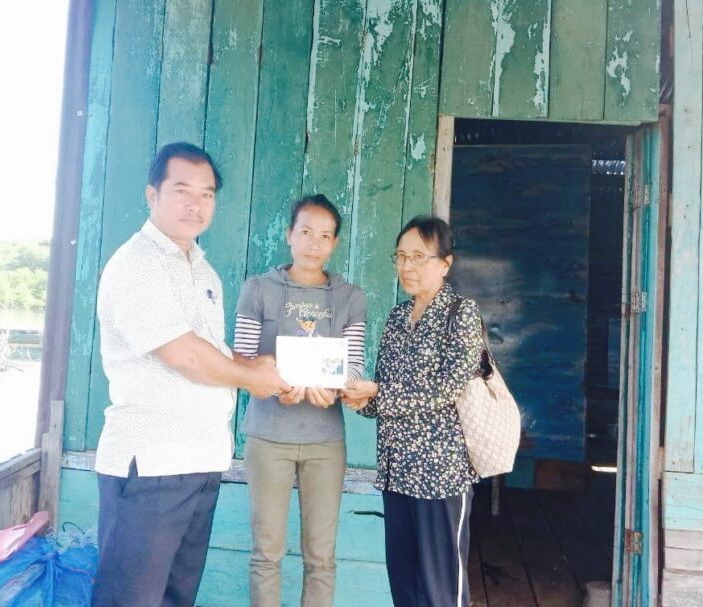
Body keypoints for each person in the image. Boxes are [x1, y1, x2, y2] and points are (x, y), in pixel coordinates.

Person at [92, 142, 289, 607]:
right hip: (151, 463)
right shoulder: (137, 265)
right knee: (130, 600)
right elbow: (185, 356)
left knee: (177, 597)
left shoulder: (203, 271)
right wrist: (252, 378)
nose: (196, 204)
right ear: (152, 195)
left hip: (199, 460)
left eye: (207, 194)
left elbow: (210, 350)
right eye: (182, 190)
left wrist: (254, 366)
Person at [342, 215, 483, 607]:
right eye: (401, 256)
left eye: (419, 257)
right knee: (404, 585)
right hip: (397, 473)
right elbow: (386, 392)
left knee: (441, 589)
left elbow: (448, 387)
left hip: (439, 475)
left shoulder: (461, 313)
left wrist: (378, 393)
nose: (407, 266)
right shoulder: (396, 318)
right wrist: (362, 401)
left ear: (445, 263)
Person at [233, 194, 366, 607]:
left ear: (335, 243)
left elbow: (354, 365)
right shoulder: (258, 289)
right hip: (268, 438)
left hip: (325, 442)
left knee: (321, 558)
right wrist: (276, 387)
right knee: (266, 554)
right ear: (289, 234)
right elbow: (241, 361)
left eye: (325, 236)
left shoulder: (350, 297)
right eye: (306, 232)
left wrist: (338, 387)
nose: (314, 243)